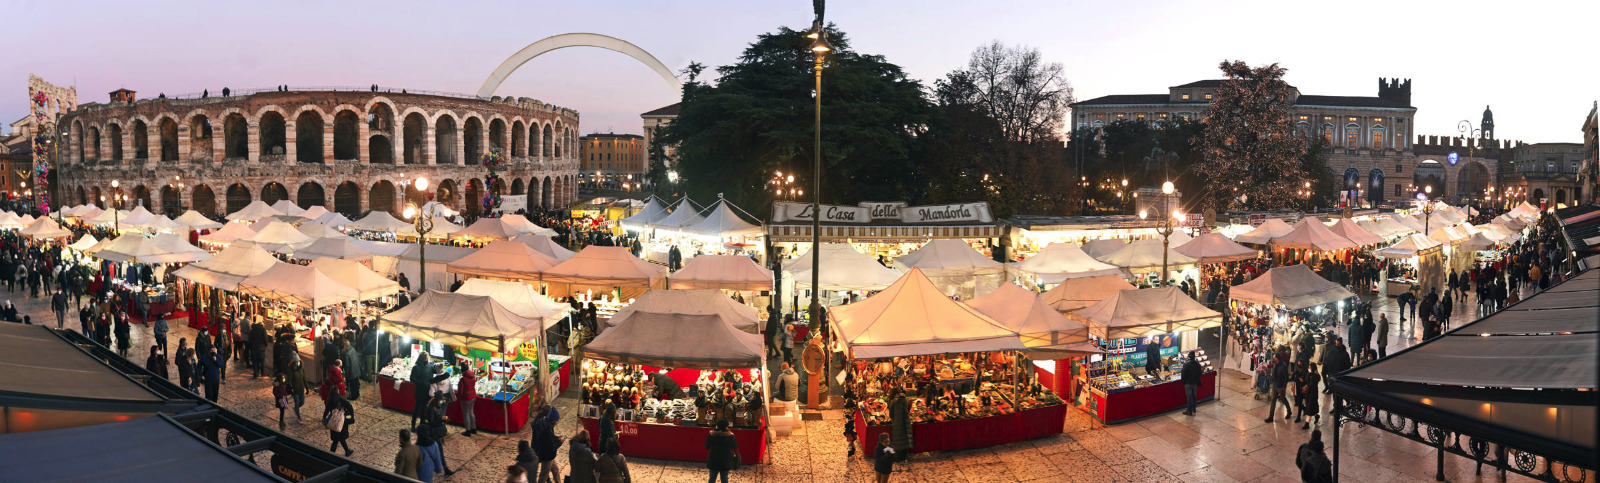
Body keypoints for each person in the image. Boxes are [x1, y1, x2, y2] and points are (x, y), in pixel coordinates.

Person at [424, 395, 456, 476]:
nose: (443, 402)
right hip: (434, 433)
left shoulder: (437, 406)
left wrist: (443, 419)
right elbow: (431, 422)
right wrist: (441, 419)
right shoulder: (431, 408)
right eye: (442, 400)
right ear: (437, 400)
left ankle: (441, 468)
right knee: (439, 451)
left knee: (436, 451)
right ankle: (445, 468)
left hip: (437, 433)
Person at [532, 405, 562, 483]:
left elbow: (550, 438)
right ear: (553, 420)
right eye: (557, 420)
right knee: (544, 475)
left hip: (546, 454)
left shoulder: (544, 423)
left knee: (555, 470)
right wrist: (560, 442)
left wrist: (556, 438)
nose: (557, 421)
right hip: (547, 455)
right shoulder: (546, 428)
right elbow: (551, 445)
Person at [323, 391, 355, 456]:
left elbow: (327, 409)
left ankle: (333, 452)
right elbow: (349, 405)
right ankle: (346, 451)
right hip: (340, 420)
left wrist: (324, 417)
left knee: (336, 439)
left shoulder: (329, 400)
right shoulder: (340, 399)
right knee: (341, 437)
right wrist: (351, 415)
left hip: (334, 420)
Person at [1264, 356, 1291, 423]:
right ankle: (1271, 417)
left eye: (1274, 357)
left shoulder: (1283, 366)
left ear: (1277, 358)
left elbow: (1286, 377)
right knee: (1273, 401)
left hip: (1280, 387)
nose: (1273, 358)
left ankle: (1289, 411)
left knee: (1283, 399)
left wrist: (1284, 387)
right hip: (1275, 385)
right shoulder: (1275, 364)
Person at [1294, 363, 1320, 429]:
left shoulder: (1315, 376)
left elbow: (1312, 384)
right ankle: (1316, 416)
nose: (1309, 368)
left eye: (1310, 367)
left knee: (1309, 407)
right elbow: (1306, 381)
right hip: (1308, 393)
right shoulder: (1309, 374)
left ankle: (1307, 423)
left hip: (1312, 393)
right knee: (1311, 407)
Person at [287, 353, 309, 424]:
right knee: (297, 402)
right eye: (296, 362)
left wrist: (307, 387)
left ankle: (296, 408)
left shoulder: (301, 368)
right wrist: (291, 387)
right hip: (295, 389)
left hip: (301, 388)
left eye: (298, 361)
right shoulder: (291, 370)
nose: (298, 363)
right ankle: (299, 417)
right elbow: (289, 380)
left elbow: (304, 378)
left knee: (302, 402)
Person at [458, 362, 479, 436]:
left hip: (466, 398)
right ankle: (474, 428)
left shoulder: (463, 379)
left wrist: (459, 398)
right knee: (471, 412)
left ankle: (468, 431)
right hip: (473, 396)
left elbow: (460, 391)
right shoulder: (473, 376)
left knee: (466, 414)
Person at [1181, 351, 1202, 416]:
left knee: (1189, 397)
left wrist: (1183, 382)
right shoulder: (1197, 364)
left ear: (1189, 357)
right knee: (1194, 396)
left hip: (1188, 383)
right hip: (1195, 382)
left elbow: (1183, 374)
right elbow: (1200, 373)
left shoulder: (1186, 364)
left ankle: (1189, 410)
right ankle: (1194, 408)